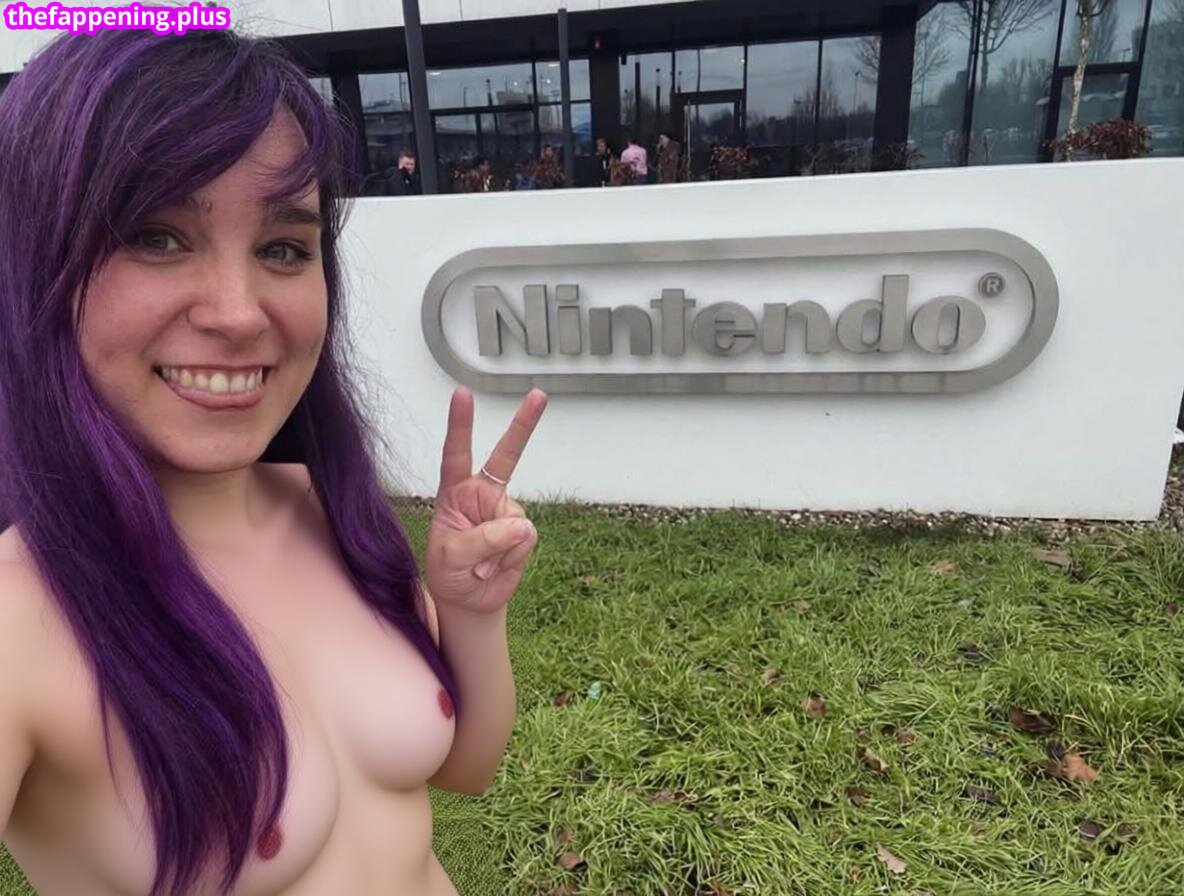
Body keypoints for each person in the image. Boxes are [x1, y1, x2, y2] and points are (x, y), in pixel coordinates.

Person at [0, 26, 547, 896]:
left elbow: (466, 769)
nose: (239, 312)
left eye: (283, 248)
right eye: (156, 236)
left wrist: (469, 615)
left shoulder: (320, 505)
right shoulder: (20, 619)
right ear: (33, 266)